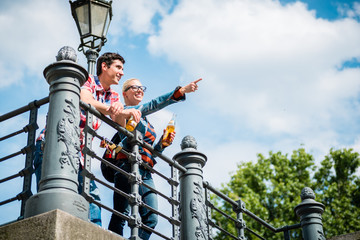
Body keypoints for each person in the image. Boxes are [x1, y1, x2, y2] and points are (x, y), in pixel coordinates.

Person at [33, 52, 141, 226]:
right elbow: (85, 99)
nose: (122, 72)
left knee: (92, 198)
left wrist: (122, 111)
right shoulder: (88, 80)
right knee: (50, 197)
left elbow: (118, 123)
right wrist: (111, 109)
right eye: (118, 67)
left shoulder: (113, 96)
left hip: (78, 153)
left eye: (122, 69)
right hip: (52, 144)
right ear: (104, 66)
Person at [107, 77, 202, 239]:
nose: (139, 90)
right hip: (126, 166)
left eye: (142, 87)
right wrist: (181, 92)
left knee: (151, 218)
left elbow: (150, 152)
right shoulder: (123, 111)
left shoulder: (144, 120)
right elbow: (153, 104)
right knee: (121, 214)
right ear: (125, 93)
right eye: (134, 87)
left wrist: (162, 144)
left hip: (145, 171)